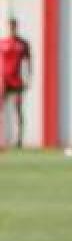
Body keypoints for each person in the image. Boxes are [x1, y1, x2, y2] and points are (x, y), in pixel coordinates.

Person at [0, 18, 32, 149]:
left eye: (14, 26)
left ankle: (19, 140)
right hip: (4, 81)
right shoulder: (2, 43)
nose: (12, 29)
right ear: (7, 28)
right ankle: (2, 139)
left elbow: (29, 62)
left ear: (16, 27)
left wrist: (28, 78)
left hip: (17, 81)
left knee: (18, 109)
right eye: (10, 27)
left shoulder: (23, 44)